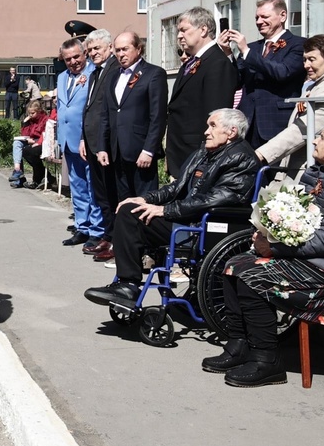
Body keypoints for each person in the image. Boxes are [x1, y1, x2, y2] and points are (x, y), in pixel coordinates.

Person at [206, 117, 324, 388]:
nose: (314, 140)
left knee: (252, 276)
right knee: (234, 264)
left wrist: (276, 249)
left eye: (321, 137)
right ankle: (240, 345)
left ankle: (268, 361)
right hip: (315, 259)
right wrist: (269, 231)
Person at [84, 108, 260, 309]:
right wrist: (144, 199)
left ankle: (128, 286)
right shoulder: (205, 152)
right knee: (131, 208)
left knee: (130, 216)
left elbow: (216, 199)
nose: (206, 131)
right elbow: (176, 187)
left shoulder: (242, 158)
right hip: (189, 218)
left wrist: (165, 211)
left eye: (212, 126)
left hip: (205, 226)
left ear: (232, 132)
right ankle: (127, 284)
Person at [255, 34, 324, 174]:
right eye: (305, 60)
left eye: (312, 60)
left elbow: (302, 129)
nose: (306, 65)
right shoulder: (314, 85)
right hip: (303, 163)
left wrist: (260, 154)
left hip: (318, 169)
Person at [219, 0, 306, 148]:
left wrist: (246, 51)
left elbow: (282, 73)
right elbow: (236, 81)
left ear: (283, 16)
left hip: (276, 123)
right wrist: (227, 53)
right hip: (247, 123)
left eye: (264, 17)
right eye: (257, 18)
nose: (259, 22)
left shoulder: (299, 44)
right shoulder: (253, 47)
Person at [166, 7, 240, 179]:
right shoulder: (191, 63)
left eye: (184, 30)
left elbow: (216, 117)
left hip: (197, 157)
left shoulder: (217, 63)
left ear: (203, 29)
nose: (179, 36)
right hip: (181, 154)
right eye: (178, 31)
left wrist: (205, 156)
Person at [96, 31, 167, 208]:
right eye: (118, 50)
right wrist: (102, 147)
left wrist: (149, 150)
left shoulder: (153, 74)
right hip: (116, 151)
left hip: (140, 151)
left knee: (143, 201)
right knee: (123, 202)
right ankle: (126, 236)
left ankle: (144, 236)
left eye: (125, 49)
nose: (121, 54)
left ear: (139, 49)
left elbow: (157, 116)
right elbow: (106, 114)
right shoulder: (113, 77)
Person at [56, 38, 104, 250]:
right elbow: (61, 107)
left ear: (84, 53)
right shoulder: (61, 77)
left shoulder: (95, 74)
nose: (73, 62)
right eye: (68, 59)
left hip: (87, 140)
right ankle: (81, 227)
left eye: (77, 56)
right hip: (68, 139)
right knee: (77, 186)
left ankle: (96, 230)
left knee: (93, 186)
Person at [79, 29, 118, 255]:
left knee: (110, 193)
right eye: (90, 49)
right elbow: (90, 109)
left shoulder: (114, 70)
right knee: (100, 193)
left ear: (109, 48)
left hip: (106, 143)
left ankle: (113, 238)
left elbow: (108, 110)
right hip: (92, 141)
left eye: (97, 49)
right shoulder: (95, 72)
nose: (93, 53)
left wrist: (101, 142)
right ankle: (107, 234)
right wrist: (84, 138)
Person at [9, 99, 48, 189]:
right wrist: (25, 123)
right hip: (31, 140)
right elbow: (24, 134)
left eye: (33, 113)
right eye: (29, 113)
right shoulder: (30, 120)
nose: (30, 115)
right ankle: (18, 170)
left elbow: (45, 133)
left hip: (40, 141)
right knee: (17, 143)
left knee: (27, 151)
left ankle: (21, 178)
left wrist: (37, 142)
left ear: (39, 111)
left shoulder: (44, 119)